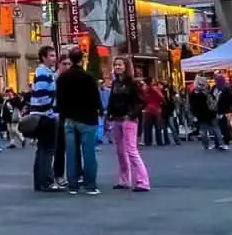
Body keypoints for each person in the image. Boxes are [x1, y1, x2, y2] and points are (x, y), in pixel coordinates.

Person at [57, 48, 101, 196]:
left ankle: (73, 185)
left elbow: (60, 100)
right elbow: (95, 99)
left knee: (71, 153)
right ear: (82, 59)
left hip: (69, 118)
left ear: (70, 59)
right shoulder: (87, 77)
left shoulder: (63, 78)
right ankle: (90, 185)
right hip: (87, 118)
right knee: (88, 153)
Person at [106, 57, 149, 192]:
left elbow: (141, 102)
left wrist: (131, 115)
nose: (117, 67)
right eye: (115, 64)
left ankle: (143, 181)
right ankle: (125, 180)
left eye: (120, 64)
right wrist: (109, 114)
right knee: (120, 151)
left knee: (131, 151)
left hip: (128, 119)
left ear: (126, 66)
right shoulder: (115, 83)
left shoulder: (133, 83)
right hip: (117, 118)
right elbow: (112, 100)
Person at [28, 46, 59, 192]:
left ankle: (40, 182)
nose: (54, 58)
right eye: (51, 56)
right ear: (43, 57)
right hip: (45, 116)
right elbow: (42, 94)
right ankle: (46, 181)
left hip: (41, 115)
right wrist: (50, 112)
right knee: (47, 149)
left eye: (54, 55)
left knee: (42, 149)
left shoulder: (45, 72)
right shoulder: (43, 72)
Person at [190, 75, 225, 151]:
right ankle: (221, 144)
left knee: (203, 131)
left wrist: (195, 114)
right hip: (211, 113)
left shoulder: (195, 94)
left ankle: (206, 146)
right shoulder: (207, 93)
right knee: (216, 128)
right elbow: (214, 101)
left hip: (201, 115)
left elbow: (192, 105)